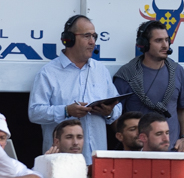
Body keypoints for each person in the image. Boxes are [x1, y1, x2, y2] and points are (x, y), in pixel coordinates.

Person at [28, 15, 122, 163]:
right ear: (68, 39)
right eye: (86, 36)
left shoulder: (100, 70)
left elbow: (118, 108)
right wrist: (66, 111)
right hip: (61, 162)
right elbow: (34, 113)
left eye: (94, 36)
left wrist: (109, 112)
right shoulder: (48, 73)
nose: (92, 42)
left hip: (96, 160)